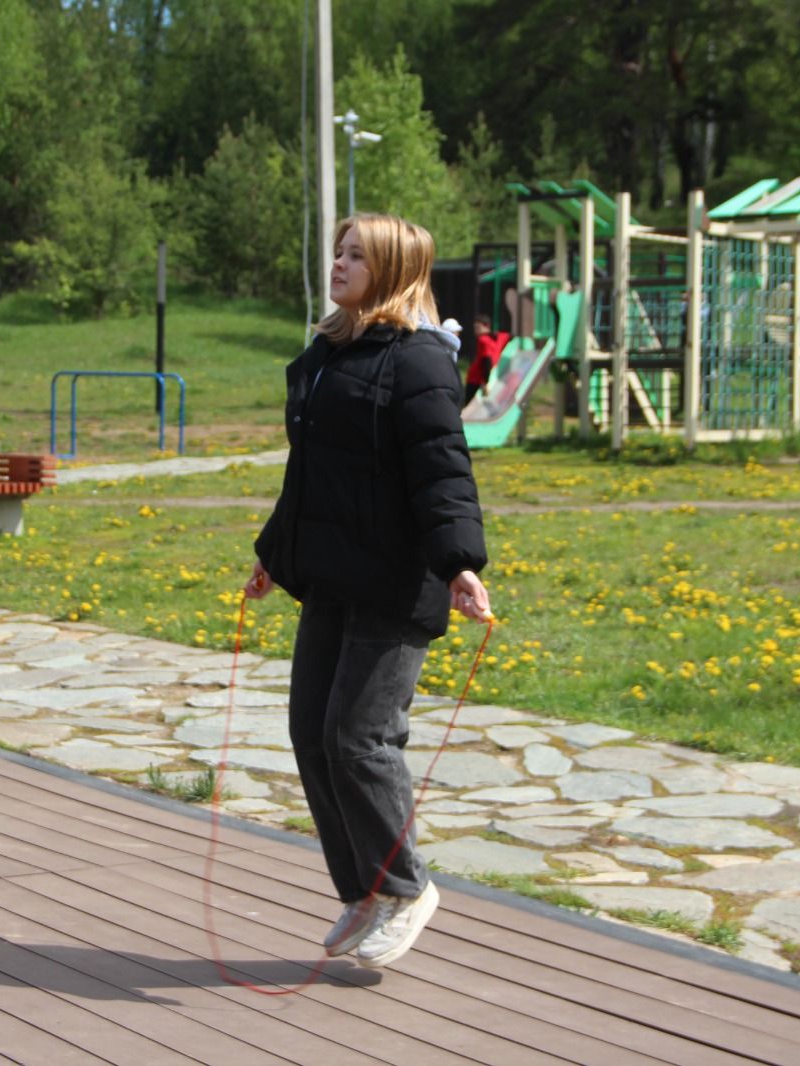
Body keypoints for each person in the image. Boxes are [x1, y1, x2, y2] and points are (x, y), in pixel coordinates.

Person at [246, 214, 491, 969]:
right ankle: (366, 891)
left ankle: (408, 889)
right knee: (312, 734)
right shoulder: (327, 352)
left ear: (390, 271)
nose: (340, 263)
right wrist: (272, 556)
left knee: (359, 737)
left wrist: (459, 563)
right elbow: (310, 476)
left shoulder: (420, 362)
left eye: (357, 255)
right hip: (331, 575)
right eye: (339, 251)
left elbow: (442, 471)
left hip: (396, 583)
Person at [464, 314, 511, 407]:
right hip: (488, 376)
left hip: (477, 379)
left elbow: (486, 361)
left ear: (486, 326)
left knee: (469, 406)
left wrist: (486, 382)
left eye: (478, 327)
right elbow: (510, 336)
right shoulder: (500, 337)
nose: (475, 331)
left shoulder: (483, 340)